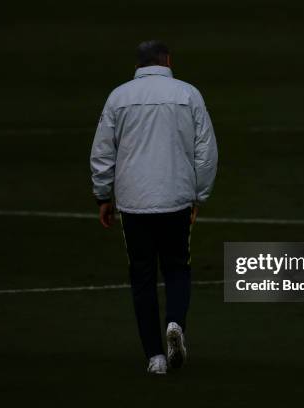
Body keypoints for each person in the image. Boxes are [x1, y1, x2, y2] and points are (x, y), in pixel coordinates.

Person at [90, 40, 218, 374]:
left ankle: (155, 358)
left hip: (134, 203)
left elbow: (102, 152)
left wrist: (103, 196)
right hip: (176, 197)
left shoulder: (118, 97)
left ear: (139, 64)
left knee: (142, 276)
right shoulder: (188, 94)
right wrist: (198, 196)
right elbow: (206, 152)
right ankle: (175, 323)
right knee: (177, 267)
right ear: (168, 60)